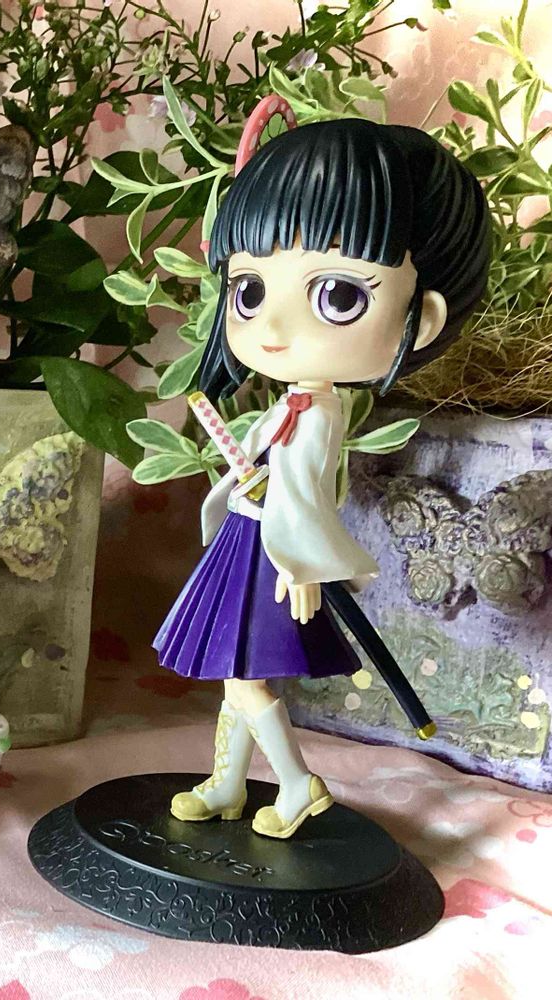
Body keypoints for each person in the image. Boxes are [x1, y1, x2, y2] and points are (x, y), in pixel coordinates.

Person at [154, 115, 491, 839]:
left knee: (244, 680)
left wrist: (301, 563)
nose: (273, 327)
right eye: (250, 291)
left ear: (424, 317)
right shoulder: (292, 405)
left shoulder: (318, 414)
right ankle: (226, 783)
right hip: (250, 541)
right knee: (235, 676)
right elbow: (276, 471)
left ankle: (297, 784)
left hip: (274, 554)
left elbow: (306, 493)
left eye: (337, 296)